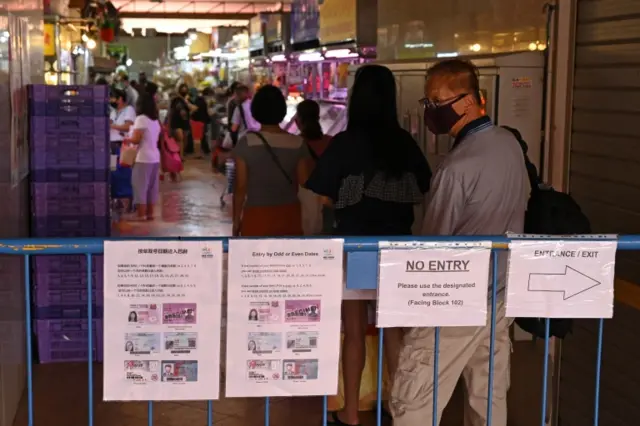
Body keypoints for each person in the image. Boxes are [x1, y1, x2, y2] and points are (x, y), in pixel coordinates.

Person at [390, 59, 529, 426]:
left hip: (453, 300)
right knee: (489, 394)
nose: (431, 110)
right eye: (428, 102)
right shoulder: (508, 144)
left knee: (414, 399)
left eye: (438, 101)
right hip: (499, 295)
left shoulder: (456, 168)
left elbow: (435, 243)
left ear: (469, 100)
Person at [305, 64, 432, 426]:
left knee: (355, 329)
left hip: (356, 246)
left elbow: (320, 189)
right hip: (397, 247)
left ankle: (350, 413)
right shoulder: (404, 142)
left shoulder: (346, 143)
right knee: (394, 331)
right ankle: (399, 408)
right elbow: (425, 183)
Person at [232, 85, 312, 237]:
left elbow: (240, 187)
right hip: (289, 215)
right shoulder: (298, 143)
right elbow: (304, 182)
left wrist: (236, 220)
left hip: (256, 216)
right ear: (282, 111)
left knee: (255, 259)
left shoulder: (246, 143)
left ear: (255, 111)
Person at [124, 92, 162, 221]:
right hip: (155, 157)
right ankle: (150, 214)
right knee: (152, 188)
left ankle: (141, 215)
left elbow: (136, 139)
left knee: (140, 187)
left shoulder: (141, 119)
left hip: (143, 158)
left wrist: (127, 139)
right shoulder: (155, 120)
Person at [169, 83, 197, 159]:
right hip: (176, 121)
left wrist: (187, 103)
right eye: (182, 89)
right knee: (180, 138)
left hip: (185, 122)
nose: (184, 91)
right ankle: (179, 156)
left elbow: (194, 108)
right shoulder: (175, 99)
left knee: (185, 139)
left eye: (185, 89)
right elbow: (172, 111)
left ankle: (181, 153)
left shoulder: (187, 100)